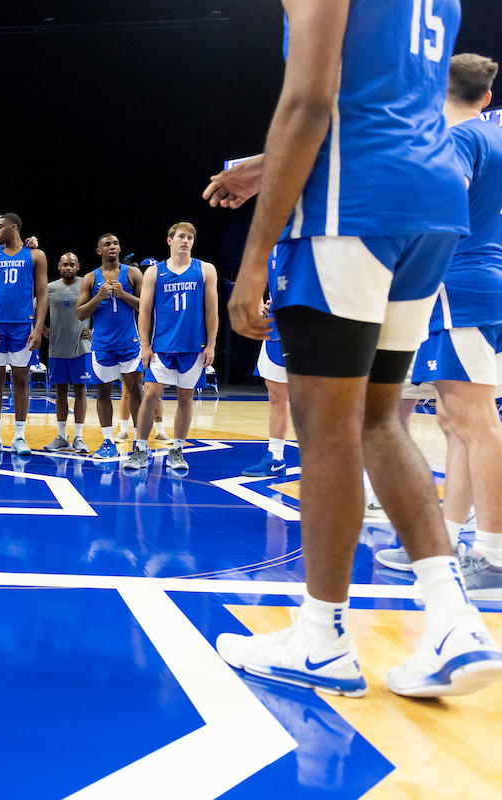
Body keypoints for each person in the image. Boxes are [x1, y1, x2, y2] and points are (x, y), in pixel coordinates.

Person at [210, 0, 501, 698]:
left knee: (328, 427)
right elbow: (391, 95)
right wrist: (265, 162)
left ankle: (321, 639)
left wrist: (254, 258)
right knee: (375, 419)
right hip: (429, 206)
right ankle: (453, 619)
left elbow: (311, 101)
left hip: (352, 204)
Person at [375, 53, 502, 594]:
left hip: (461, 285)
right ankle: (446, 541)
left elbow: (438, 213)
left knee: (477, 422)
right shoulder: (493, 136)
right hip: (481, 282)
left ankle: (493, 557)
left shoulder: (459, 140)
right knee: (454, 420)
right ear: (487, 97)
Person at [123, 223, 218, 472]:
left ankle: (177, 449)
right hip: (161, 346)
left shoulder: (206, 270)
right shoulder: (155, 272)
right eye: (181, 237)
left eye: (190, 238)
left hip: (193, 346)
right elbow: (143, 311)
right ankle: (140, 449)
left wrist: (212, 344)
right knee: (150, 395)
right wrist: (144, 344)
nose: (185, 241)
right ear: (169, 241)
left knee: (185, 398)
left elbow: (212, 310)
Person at [0, 213, 48, 455]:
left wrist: (38, 328)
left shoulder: (35, 255)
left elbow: (43, 294)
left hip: (23, 327)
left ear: (13, 227)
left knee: (20, 380)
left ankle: (19, 437)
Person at [78, 235, 144, 459]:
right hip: (103, 345)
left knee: (136, 391)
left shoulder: (133, 273)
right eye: (107, 244)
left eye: (116, 243)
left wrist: (123, 295)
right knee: (103, 392)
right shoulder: (90, 278)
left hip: (129, 343)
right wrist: (100, 296)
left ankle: (140, 445)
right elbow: (80, 313)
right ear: (99, 251)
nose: (113, 247)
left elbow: (147, 306)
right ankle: (107, 442)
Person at [243, 247, 291, 477]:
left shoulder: (313, 237)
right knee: (276, 394)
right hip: (277, 327)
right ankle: (276, 456)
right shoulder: (270, 246)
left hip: (311, 328)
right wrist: (260, 302)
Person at [42, 252, 91, 454]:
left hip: (81, 348)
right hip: (57, 349)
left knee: (81, 391)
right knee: (60, 392)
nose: (68, 268)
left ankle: (79, 437)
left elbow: (102, 309)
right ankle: (62, 437)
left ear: (78, 266)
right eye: (65, 265)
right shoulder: (50, 288)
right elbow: (33, 310)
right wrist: (44, 331)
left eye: (72, 264)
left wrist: (94, 331)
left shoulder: (86, 285)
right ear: (59, 267)